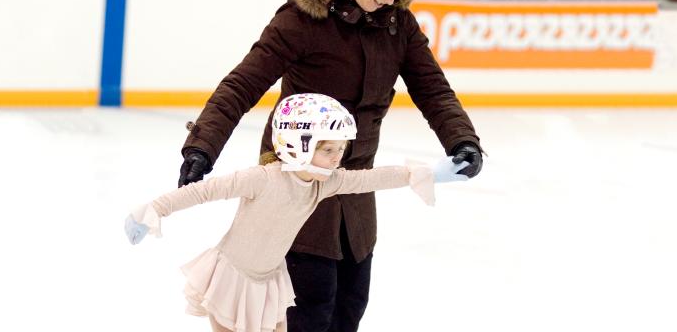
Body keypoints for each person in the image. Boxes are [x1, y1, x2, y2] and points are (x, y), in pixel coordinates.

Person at [177, 0, 484, 330]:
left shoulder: (397, 26)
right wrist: (202, 147)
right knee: (305, 311)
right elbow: (242, 85)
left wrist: (463, 141)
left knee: (349, 306)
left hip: (355, 188)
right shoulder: (302, 20)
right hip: (294, 186)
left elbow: (433, 89)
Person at [126, 93, 469, 332]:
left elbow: (371, 178)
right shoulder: (261, 179)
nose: (337, 158)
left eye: (340, 149)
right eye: (328, 149)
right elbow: (203, 191)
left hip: (271, 280)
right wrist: (152, 210)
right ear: (296, 143)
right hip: (233, 278)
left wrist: (426, 174)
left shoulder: (325, 182)